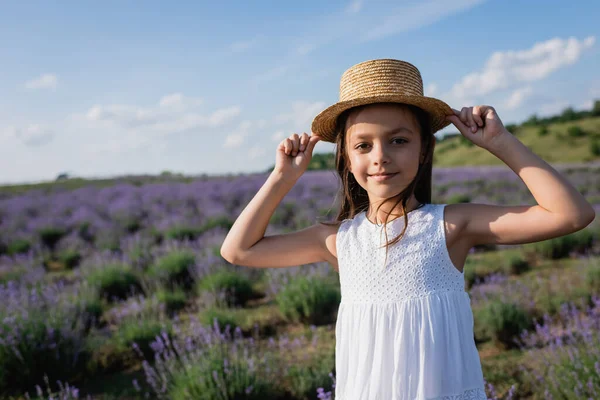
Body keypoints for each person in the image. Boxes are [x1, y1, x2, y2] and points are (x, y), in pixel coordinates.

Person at [220, 59, 595, 399]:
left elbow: (571, 214)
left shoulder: (449, 226)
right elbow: (237, 250)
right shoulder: (338, 241)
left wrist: (501, 143)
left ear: (424, 150)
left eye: (399, 140)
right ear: (346, 160)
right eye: (363, 145)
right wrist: (283, 177)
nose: (380, 156)